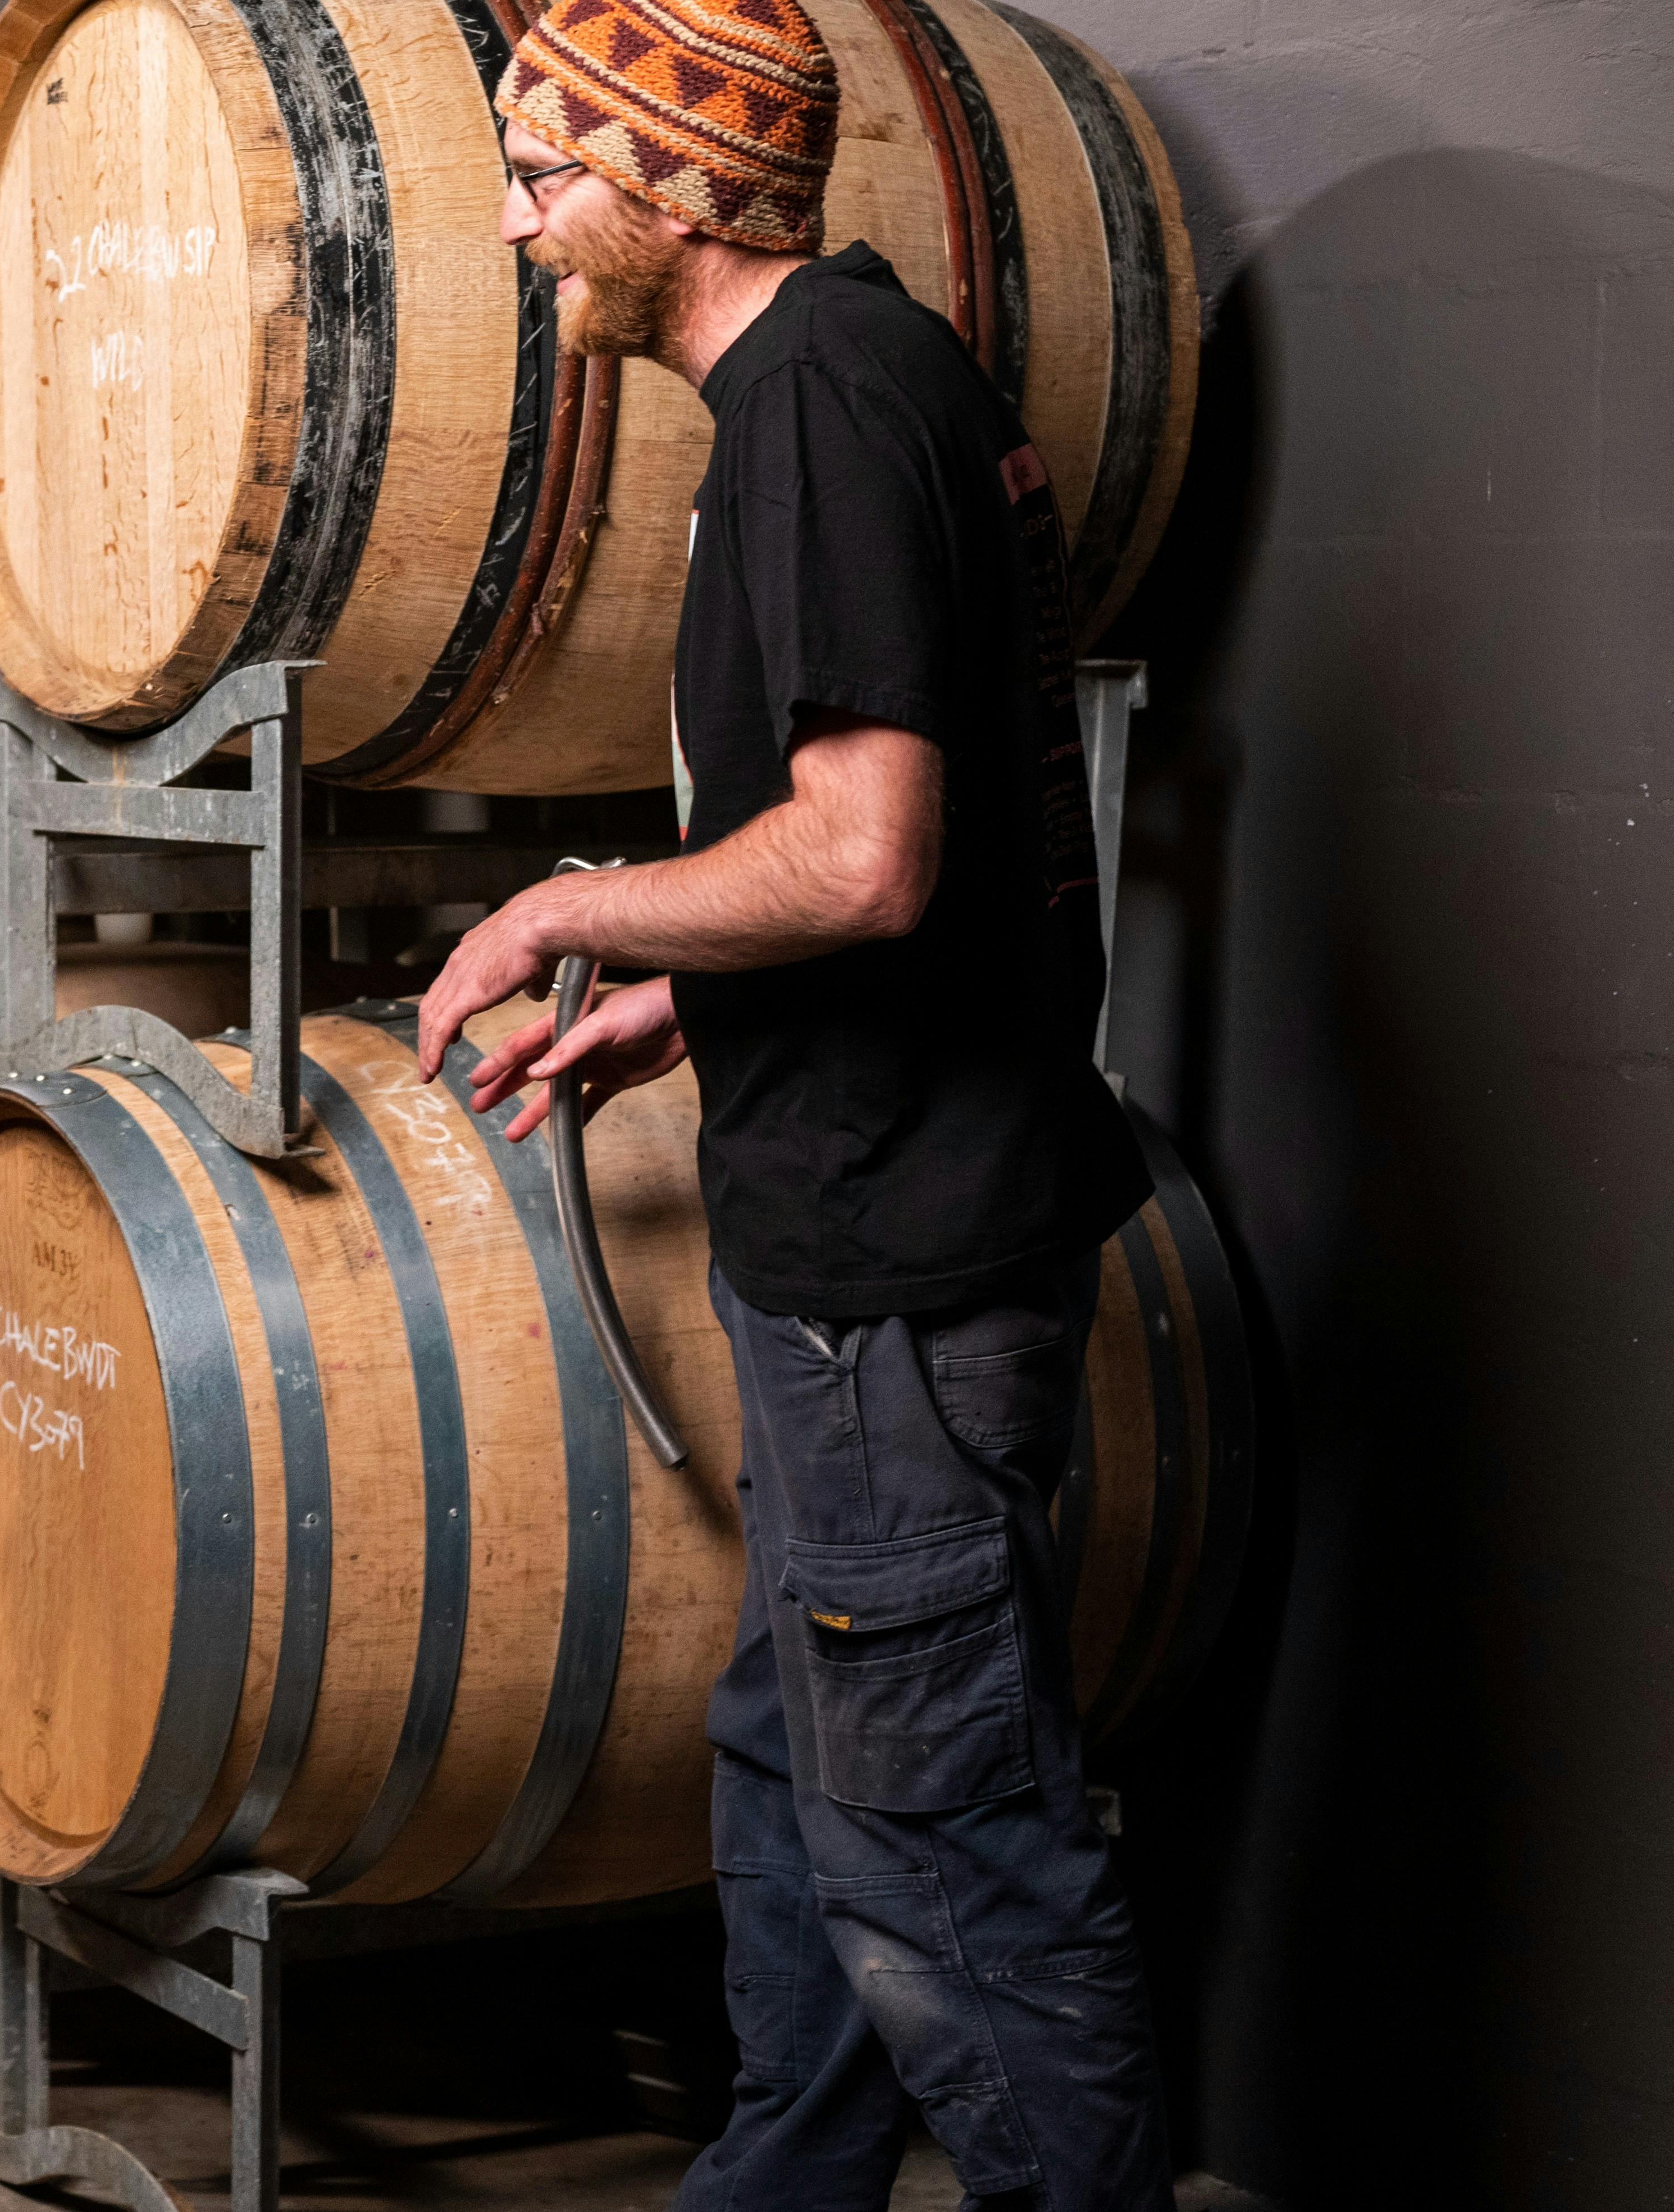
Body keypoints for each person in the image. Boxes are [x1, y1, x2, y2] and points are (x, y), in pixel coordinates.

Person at [413, 2, 1174, 2205]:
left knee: (946, 1859)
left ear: (665, 191)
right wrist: (678, 997)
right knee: (798, 1773)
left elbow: (864, 851)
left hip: (898, 1291)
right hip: (880, 1238)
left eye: (545, 174)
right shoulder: (870, 373)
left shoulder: (821, 413)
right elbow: (870, 886)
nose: (515, 219)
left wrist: (574, 908)